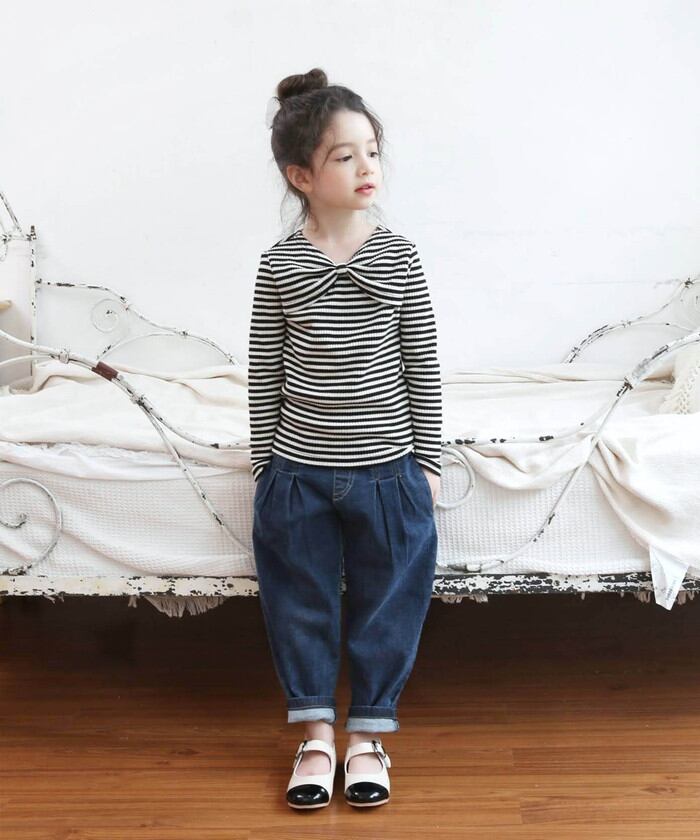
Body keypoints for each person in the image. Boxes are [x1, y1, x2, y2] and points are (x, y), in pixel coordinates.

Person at [247, 67, 442, 809]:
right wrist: (264, 467)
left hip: (387, 472)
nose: (367, 167)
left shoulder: (399, 256)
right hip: (298, 474)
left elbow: (421, 363)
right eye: (345, 156)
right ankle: (315, 735)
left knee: (388, 602)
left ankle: (367, 736)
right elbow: (266, 371)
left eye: (373, 152)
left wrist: (427, 461)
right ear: (301, 176)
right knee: (300, 604)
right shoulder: (280, 264)